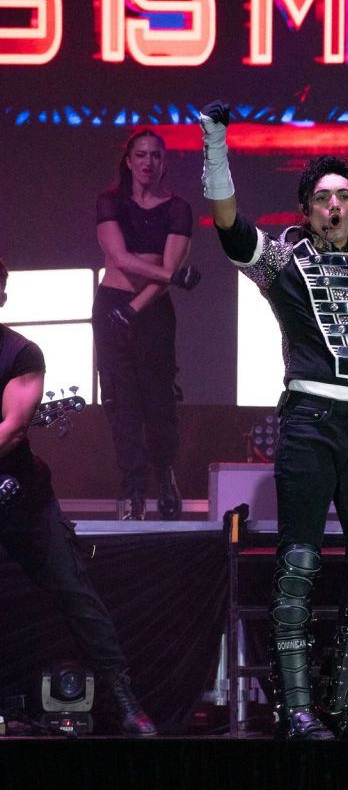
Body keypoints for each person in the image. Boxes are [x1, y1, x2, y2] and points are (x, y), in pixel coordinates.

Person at [199, 101, 348, 741]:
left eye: (343, 196)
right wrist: (216, 147)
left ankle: (342, 706)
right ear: (307, 209)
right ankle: (297, 710)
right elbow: (231, 229)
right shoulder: (287, 262)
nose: (334, 206)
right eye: (322, 198)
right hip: (311, 422)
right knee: (299, 563)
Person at [0, 260, 156, 736]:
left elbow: (13, 429)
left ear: (2, 296)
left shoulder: (20, 352)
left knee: (73, 589)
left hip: (20, 496)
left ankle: (123, 698)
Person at [92, 128, 200, 520]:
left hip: (152, 311)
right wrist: (174, 277)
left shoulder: (178, 208)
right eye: (141, 154)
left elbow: (166, 268)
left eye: (155, 155)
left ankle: (165, 475)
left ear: (163, 162)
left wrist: (135, 308)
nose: (148, 162)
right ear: (128, 160)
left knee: (159, 402)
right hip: (112, 305)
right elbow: (120, 258)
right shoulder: (110, 202)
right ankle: (134, 492)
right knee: (121, 403)